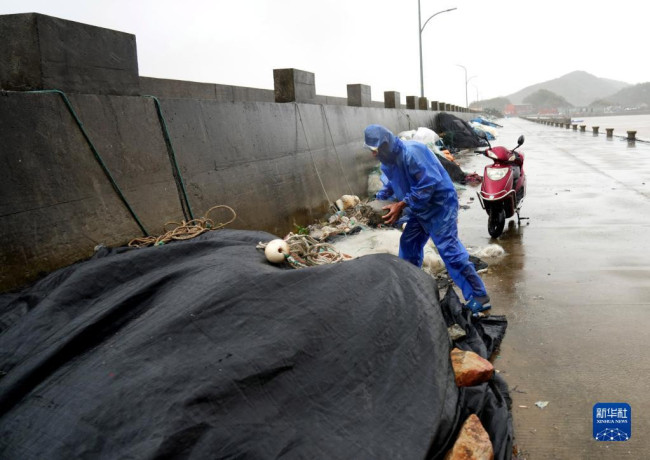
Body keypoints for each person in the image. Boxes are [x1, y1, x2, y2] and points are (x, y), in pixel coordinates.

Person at [364, 124, 491, 315]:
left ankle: (479, 296)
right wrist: (379, 202)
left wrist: (401, 205)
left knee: (449, 250)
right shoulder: (387, 162)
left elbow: (428, 184)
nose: (375, 154)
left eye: (377, 149)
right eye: (371, 150)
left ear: (386, 143)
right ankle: (411, 287)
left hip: (440, 206)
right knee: (409, 245)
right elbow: (391, 184)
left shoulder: (413, 152)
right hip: (418, 207)